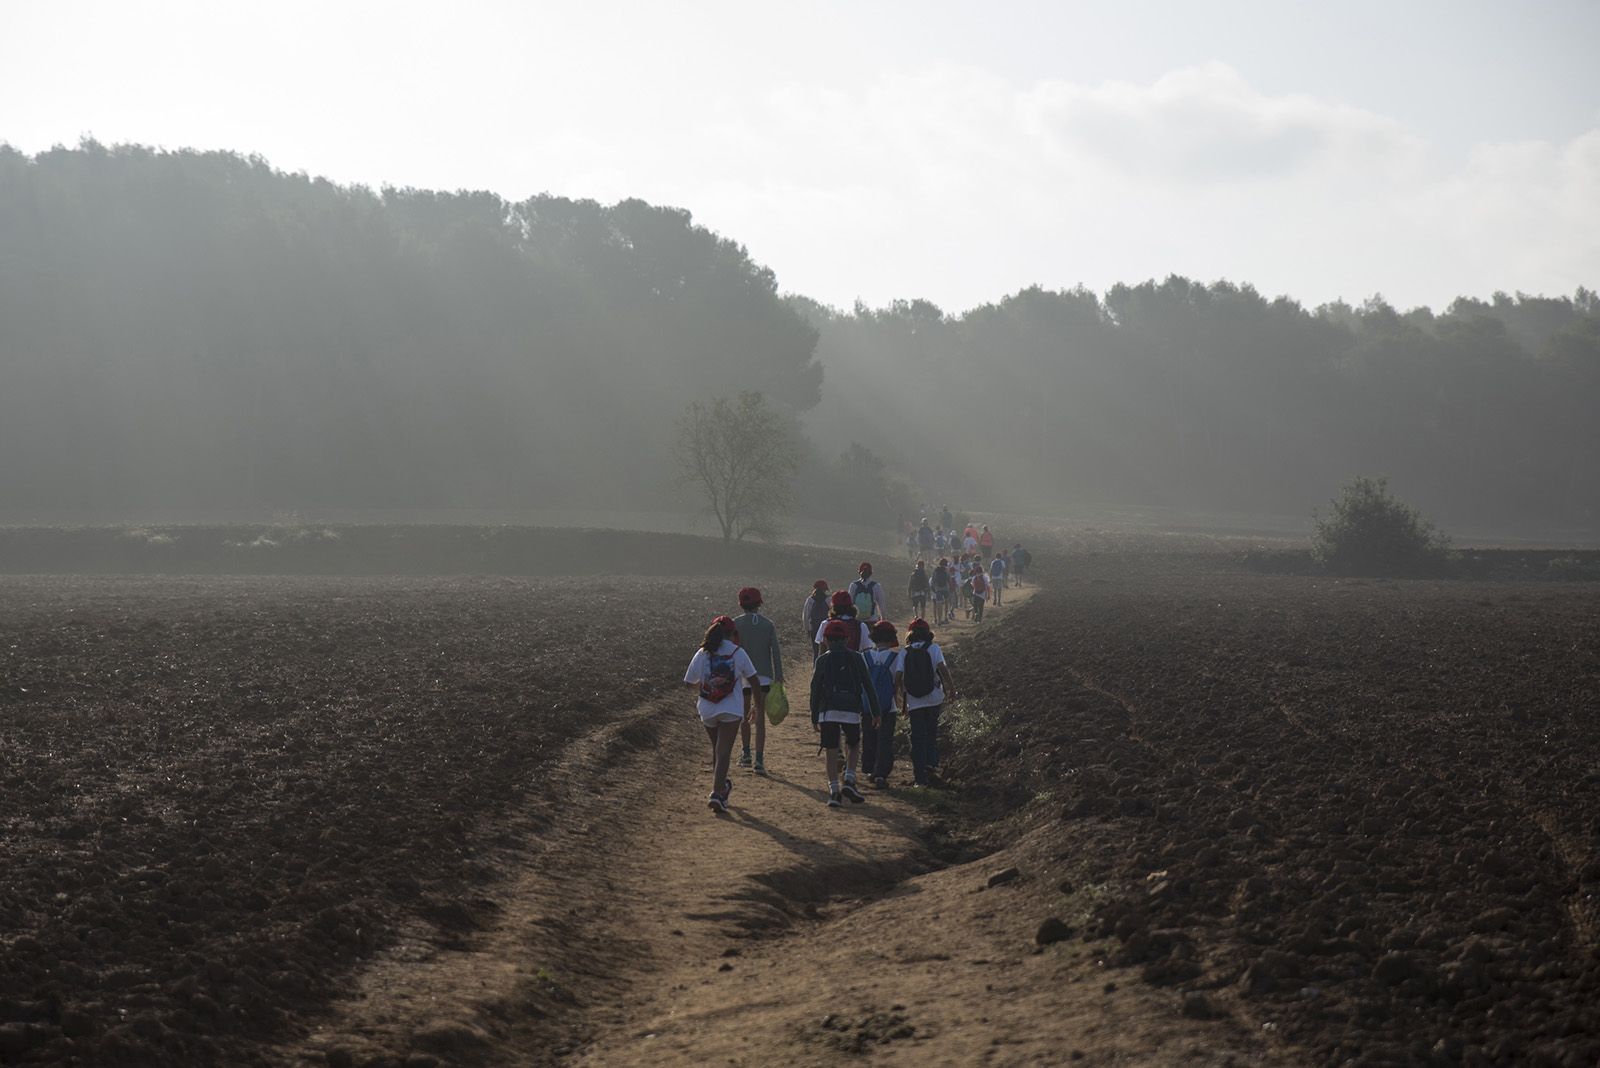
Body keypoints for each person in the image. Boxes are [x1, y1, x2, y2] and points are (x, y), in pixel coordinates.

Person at [682, 616, 761, 813]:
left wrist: (706, 687)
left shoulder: (702, 653)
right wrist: (757, 707)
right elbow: (754, 681)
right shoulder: (738, 652)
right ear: (733, 634)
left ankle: (722, 787)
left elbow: (688, 682)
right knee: (723, 751)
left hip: (707, 709)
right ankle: (717, 792)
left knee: (717, 749)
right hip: (730, 709)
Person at [810, 620, 883, 807]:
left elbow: (815, 689)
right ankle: (849, 779)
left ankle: (834, 792)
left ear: (826, 639)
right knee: (854, 744)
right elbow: (868, 685)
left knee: (831, 751)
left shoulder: (822, 660)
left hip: (828, 711)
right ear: (847, 639)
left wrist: (814, 715)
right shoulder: (857, 658)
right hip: (851, 709)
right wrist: (876, 711)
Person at [895, 619, 955, 787]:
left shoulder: (904, 652)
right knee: (931, 733)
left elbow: (898, 677)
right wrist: (952, 688)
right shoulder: (933, 648)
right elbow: (943, 669)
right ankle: (931, 766)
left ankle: (919, 776)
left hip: (914, 702)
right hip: (934, 697)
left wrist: (900, 697)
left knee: (917, 737)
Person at [733, 586, 783, 776]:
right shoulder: (768, 624)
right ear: (759, 603)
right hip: (763, 676)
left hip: (743, 676)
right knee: (760, 716)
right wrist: (778, 676)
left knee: (743, 714)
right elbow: (775, 653)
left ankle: (746, 753)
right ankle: (759, 760)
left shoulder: (735, 624)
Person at [860, 620, 902, 789]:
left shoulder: (865, 656)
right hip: (888, 706)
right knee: (885, 739)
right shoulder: (895, 657)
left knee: (869, 737)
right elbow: (898, 682)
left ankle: (869, 769)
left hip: (869, 705)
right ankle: (881, 774)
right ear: (891, 638)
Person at [803, 580, 832, 658]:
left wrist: (807, 629)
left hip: (814, 628)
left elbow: (806, 616)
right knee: (827, 651)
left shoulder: (810, 600)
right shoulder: (828, 600)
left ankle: (816, 667)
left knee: (816, 651)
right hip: (827, 628)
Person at [930, 558, 952, 624]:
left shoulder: (935, 570)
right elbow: (949, 580)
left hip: (938, 589)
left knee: (939, 604)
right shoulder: (947, 570)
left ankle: (939, 620)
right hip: (945, 589)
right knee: (946, 603)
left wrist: (934, 589)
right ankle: (945, 618)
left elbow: (933, 580)